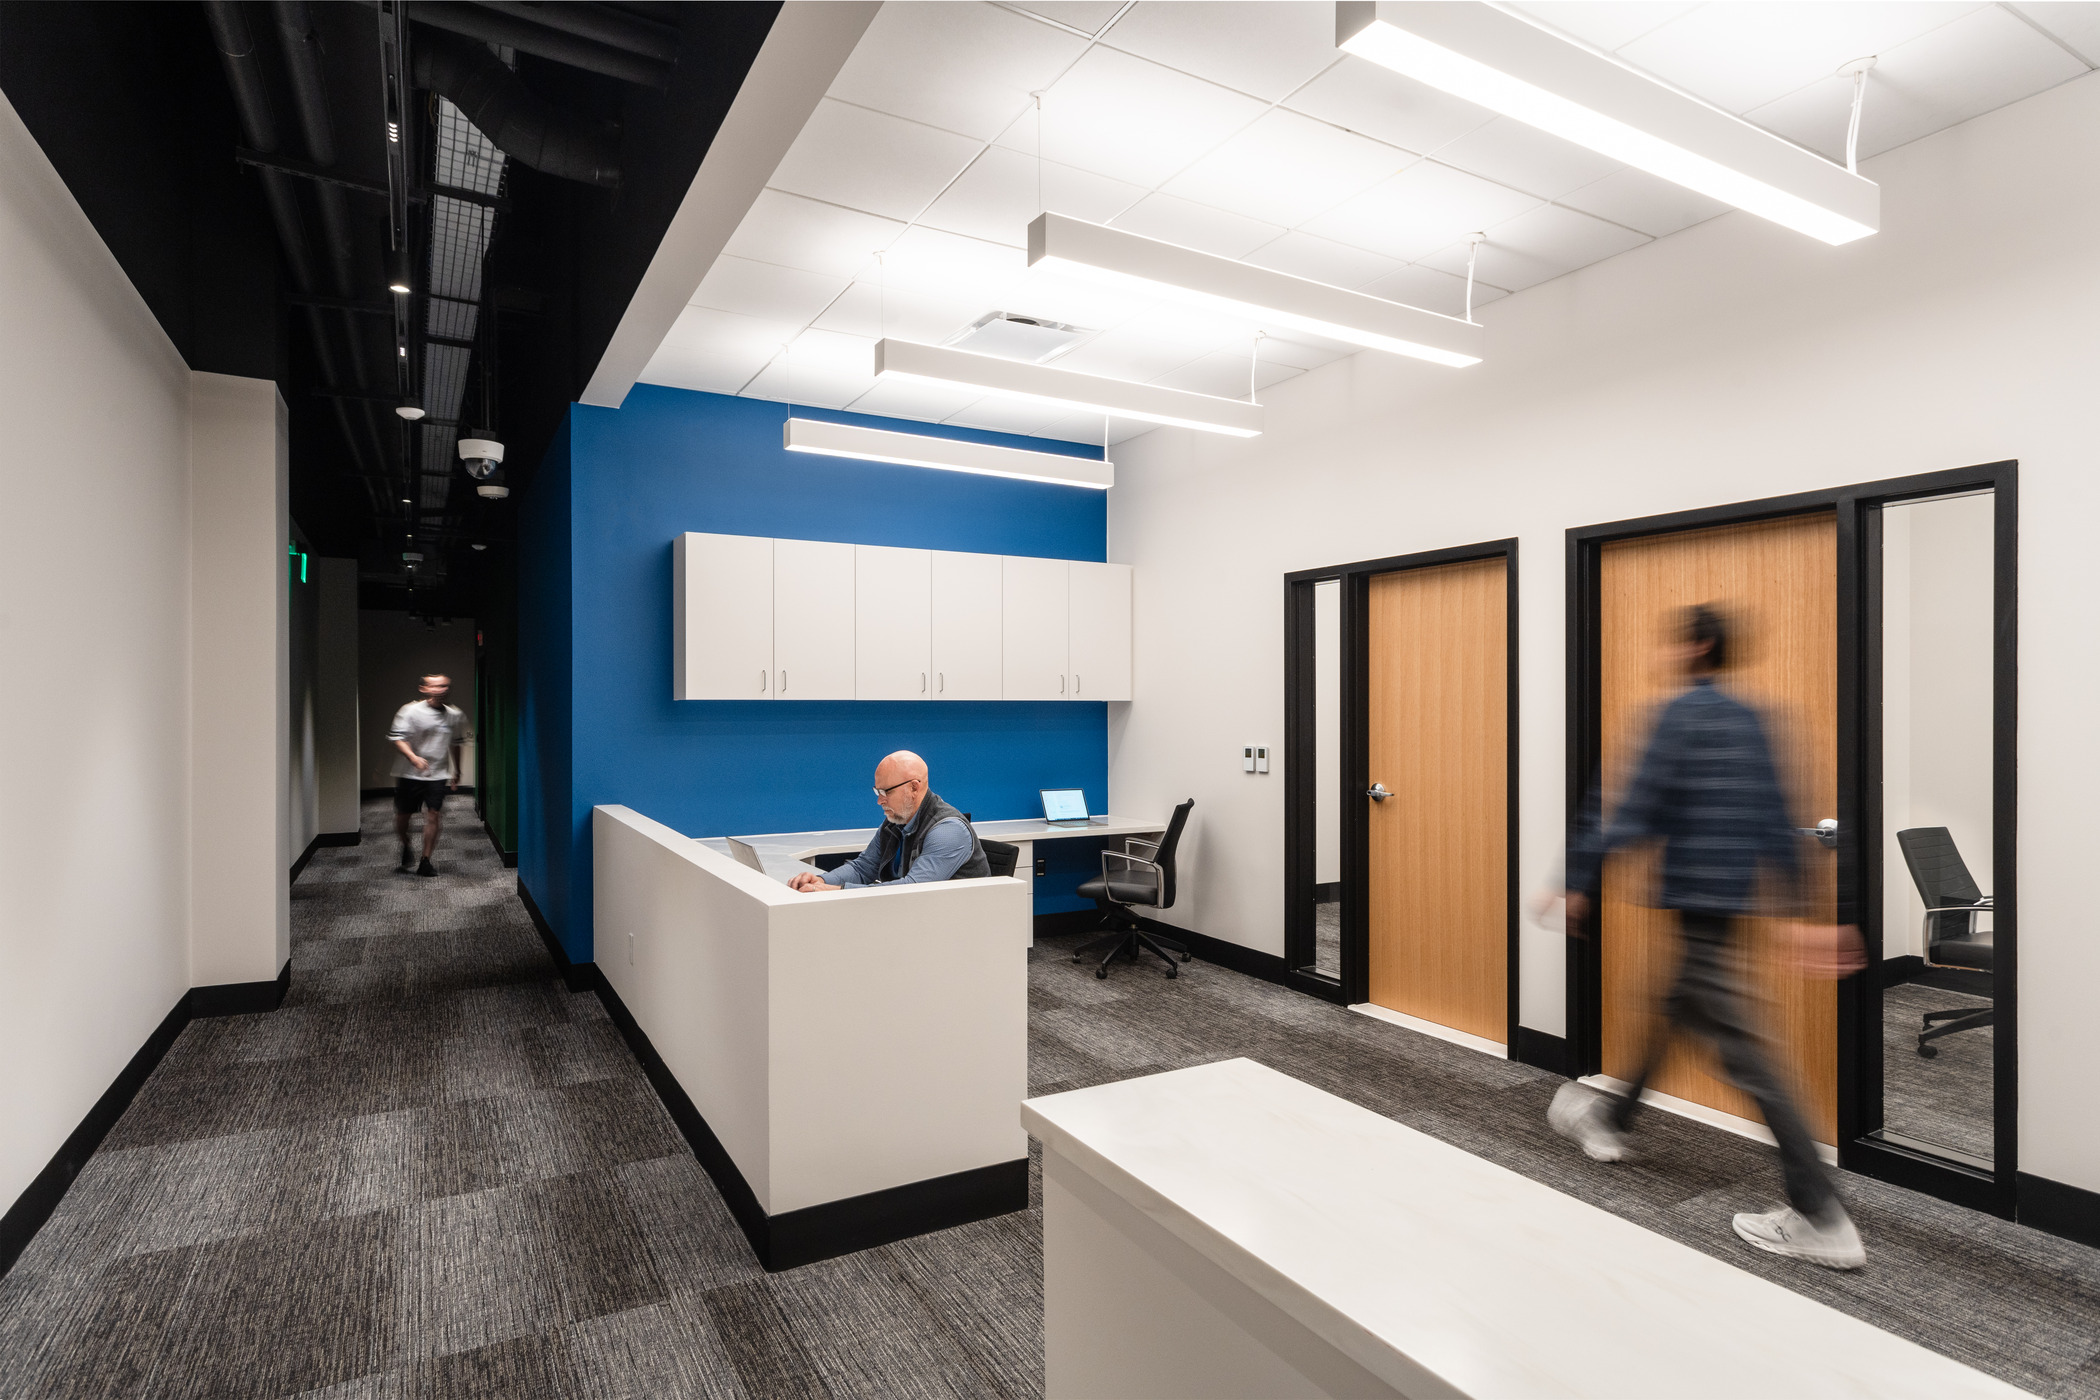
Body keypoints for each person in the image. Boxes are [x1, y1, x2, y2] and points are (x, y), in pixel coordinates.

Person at [1542, 604, 1867, 1270]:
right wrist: (1813, 912)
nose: (1666, 654)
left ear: (1696, 648)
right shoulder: (1755, 721)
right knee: (1672, 1012)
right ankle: (1610, 1120)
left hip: (1698, 900)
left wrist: (1576, 878)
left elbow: (1631, 810)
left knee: (1749, 1058)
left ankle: (1820, 1215)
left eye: (1676, 643)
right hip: (1727, 906)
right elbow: (1780, 818)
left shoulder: (1678, 716)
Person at [788, 750, 990, 892]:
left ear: (913, 788)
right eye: (877, 791)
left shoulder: (948, 830)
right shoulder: (896, 821)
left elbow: (913, 888)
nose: (879, 800)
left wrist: (836, 890)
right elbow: (863, 868)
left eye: (886, 791)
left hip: (961, 930)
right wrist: (821, 880)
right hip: (924, 919)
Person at [389, 673, 468, 876]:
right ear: (424, 689)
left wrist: (457, 770)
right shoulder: (410, 711)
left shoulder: (455, 714)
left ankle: (425, 860)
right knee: (402, 818)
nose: (441, 690)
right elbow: (398, 739)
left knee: (434, 815)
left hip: (437, 774)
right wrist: (413, 758)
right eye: (436, 686)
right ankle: (406, 844)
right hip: (409, 774)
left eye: (444, 686)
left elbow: (455, 743)